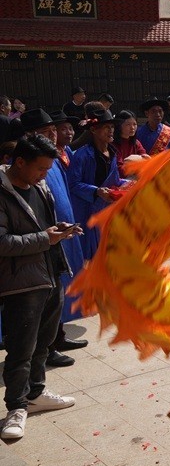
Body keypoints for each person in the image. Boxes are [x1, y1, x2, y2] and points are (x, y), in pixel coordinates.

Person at [2, 134, 80, 441]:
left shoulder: (39, 186)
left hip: (50, 273)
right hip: (21, 282)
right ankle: (15, 407)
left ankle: (36, 393)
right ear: (19, 162)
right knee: (21, 348)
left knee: (45, 343)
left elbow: (42, 226)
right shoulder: (3, 192)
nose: (45, 175)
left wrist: (60, 231)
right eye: (40, 169)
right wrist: (44, 239)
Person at [18, 110, 86, 361]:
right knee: (45, 295)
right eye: (46, 132)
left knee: (61, 288)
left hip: (59, 232)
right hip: (41, 237)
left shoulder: (55, 158)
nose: (53, 135)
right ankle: (44, 350)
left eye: (53, 131)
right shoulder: (27, 165)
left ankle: (57, 337)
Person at [66, 108, 125, 260]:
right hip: (88, 211)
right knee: (90, 257)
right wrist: (96, 191)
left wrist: (132, 184)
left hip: (107, 211)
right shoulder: (82, 155)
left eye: (112, 127)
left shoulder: (112, 152)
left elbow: (116, 181)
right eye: (107, 127)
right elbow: (72, 184)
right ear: (93, 129)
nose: (111, 131)